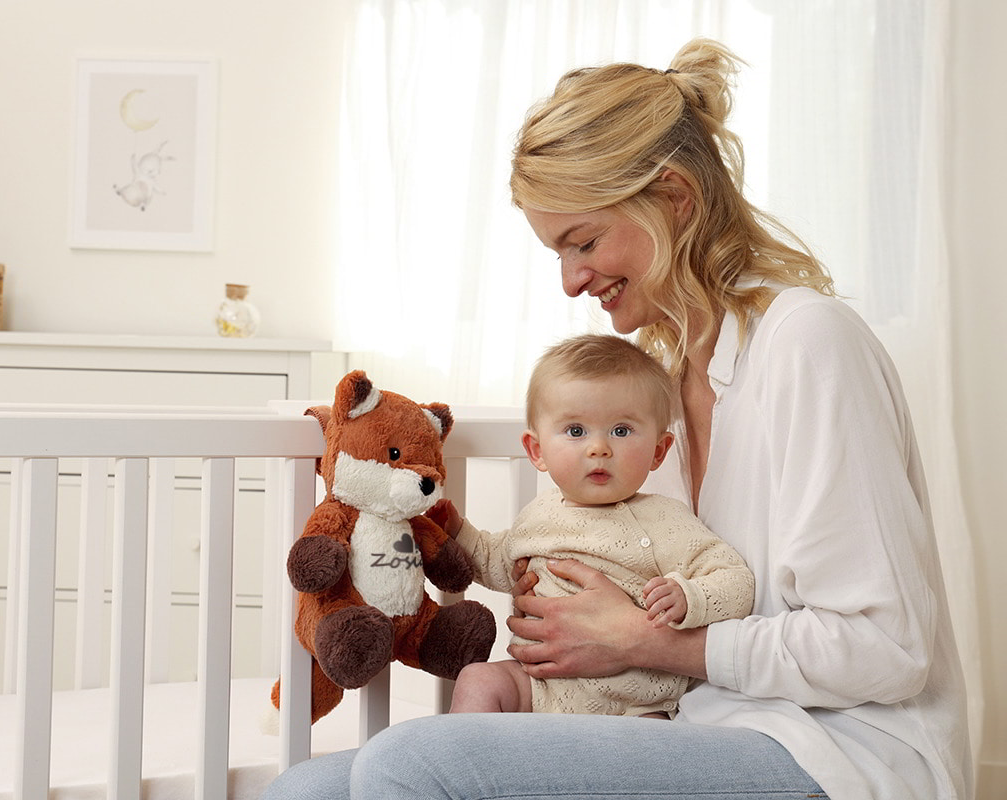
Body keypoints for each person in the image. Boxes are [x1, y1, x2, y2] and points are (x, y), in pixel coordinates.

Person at [263, 37, 971, 800]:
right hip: (692, 723)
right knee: (304, 792)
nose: (571, 282)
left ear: (673, 197)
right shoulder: (655, 393)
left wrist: (646, 640)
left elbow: (885, 648)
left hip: (834, 752)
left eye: (585, 242)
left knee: (408, 764)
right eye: (558, 254)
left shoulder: (809, 344)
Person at [443, 333, 754, 717]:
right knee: (478, 679)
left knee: (653, 735)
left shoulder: (665, 521)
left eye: (621, 431)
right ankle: (473, 755)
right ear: (537, 451)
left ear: (658, 451)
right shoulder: (537, 516)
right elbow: (497, 561)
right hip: (537, 688)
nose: (599, 448)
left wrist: (689, 596)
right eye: (576, 431)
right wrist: (453, 532)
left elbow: (736, 582)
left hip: (631, 703)